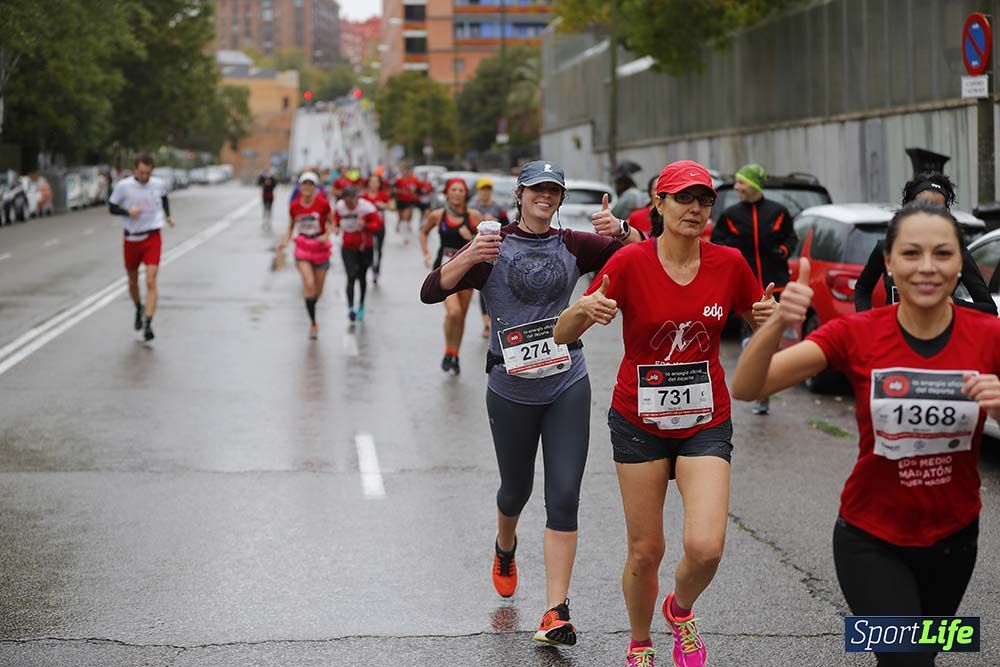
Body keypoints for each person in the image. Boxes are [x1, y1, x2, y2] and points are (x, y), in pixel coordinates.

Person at [731, 201, 1000, 667]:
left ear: (961, 264)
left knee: (924, 655)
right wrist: (777, 323)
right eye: (911, 253)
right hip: (870, 539)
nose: (927, 267)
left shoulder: (990, 334)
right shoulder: (855, 332)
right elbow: (748, 387)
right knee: (905, 659)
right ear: (889, 263)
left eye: (943, 254)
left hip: (955, 539)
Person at [553, 159, 776, 667]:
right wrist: (583, 310)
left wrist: (767, 319)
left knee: (706, 546)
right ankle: (640, 640)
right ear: (659, 203)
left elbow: (757, 319)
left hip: (705, 420)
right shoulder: (630, 262)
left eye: (704, 200)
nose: (695, 209)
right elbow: (563, 334)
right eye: (683, 198)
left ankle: (680, 609)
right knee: (645, 550)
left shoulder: (729, 263)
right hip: (639, 421)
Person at [421, 160, 644, 650]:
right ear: (519, 195)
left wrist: (623, 229)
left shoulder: (574, 244)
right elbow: (431, 291)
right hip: (510, 388)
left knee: (563, 496)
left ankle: (556, 609)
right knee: (515, 490)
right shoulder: (492, 245)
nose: (545, 196)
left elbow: (646, 254)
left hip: (567, 382)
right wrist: (468, 254)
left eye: (553, 190)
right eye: (536, 188)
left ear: (560, 199)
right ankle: (505, 546)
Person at [710, 163, 796, 416]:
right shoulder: (731, 214)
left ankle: (763, 390)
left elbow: (791, 238)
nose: (736, 187)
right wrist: (731, 253)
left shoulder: (777, 211)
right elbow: (716, 242)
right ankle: (758, 388)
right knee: (751, 338)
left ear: (754, 184)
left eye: (741, 182)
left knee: (769, 338)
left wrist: (782, 251)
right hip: (744, 286)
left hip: (774, 283)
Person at [854, 172, 996, 316]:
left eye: (937, 210)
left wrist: (953, 303)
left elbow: (989, 308)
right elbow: (862, 289)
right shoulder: (887, 248)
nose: (929, 215)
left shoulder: (956, 252)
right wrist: (866, 321)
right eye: (921, 207)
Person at [108, 153, 175, 342]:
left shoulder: (158, 184)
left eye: (148, 173)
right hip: (131, 238)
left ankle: (148, 322)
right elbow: (111, 207)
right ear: (135, 170)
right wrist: (127, 211)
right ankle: (138, 307)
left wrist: (168, 216)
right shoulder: (124, 186)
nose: (145, 177)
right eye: (141, 173)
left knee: (151, 280)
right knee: (133, 281)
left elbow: (164, 198)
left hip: (152, 236)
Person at [420, 178, 483, 374]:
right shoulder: (438, 215)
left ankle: (455, 354)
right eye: (453, 190)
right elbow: (423, 232)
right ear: (447, 193)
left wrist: (469, 238)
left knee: (461, 315)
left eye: (460, 190)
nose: (457, 193)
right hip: (445, 269)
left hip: (468, 271)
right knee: (453, 312)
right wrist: (426, 253)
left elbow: (485, 239)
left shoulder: (473, 216)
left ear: (466, 194)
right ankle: (448, 350)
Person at [276, 171, 333, 339]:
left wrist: (326, 235)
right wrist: (285, 241)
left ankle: (312, 306)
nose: (307, 187)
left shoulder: (323, 204)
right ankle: (313, 323)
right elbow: (291, 226)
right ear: (300, 187)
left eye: (310, 184)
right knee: (309, 284)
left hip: (320, 248)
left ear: (315, 187)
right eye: (304, 184)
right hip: (303, 247)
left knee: (317, 292)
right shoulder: (294, 206)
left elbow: (332, 223)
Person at [471, 177, 511, 338]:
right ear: (478, 191)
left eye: (488, 189)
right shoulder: (472, 207)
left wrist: (495, 223)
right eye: (483, 189)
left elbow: (507, 227)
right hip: (479, 252)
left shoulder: (498, 207)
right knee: (484, 286)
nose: (485, 192)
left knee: (498, 285)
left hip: (497, 252)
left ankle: (499, 320)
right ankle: (486, 324)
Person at [334, 187, 381, 321]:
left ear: (356, 198)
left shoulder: (367, 208)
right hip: (348, 247)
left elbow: (378, 225)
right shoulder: (340, 207)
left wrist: (365, 225)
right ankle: (350, 308)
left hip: (365, 247)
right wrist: (336, 226)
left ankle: (361, 305)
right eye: (347, 202)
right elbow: (335, 219)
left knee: (361, 277)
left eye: (352, 202)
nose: (349, 205)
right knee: (351, 276)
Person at [361, 175, 391, 284]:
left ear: (379, 184)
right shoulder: (364, 196)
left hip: (380, 227)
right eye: (371, 182)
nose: (373, 184)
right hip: (367, 228)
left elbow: (392, 206)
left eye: (376, 182)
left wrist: (384, 205)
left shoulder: (383, 195)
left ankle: (377, 268)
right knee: (369, 249)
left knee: (379, 249)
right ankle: (372, 265)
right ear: (368, 183)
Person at [393, 161, 430, 241]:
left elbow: (420, 188)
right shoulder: (399, 180)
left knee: (406, 217)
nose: (406, 173)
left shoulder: (414, 179)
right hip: (400, 200)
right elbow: (394, 189)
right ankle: (402, 227)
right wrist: (400, 191)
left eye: (407, 171)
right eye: (404, 171)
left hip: (409, 201)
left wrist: (425, 185)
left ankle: (405, 236)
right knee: (401, 218)